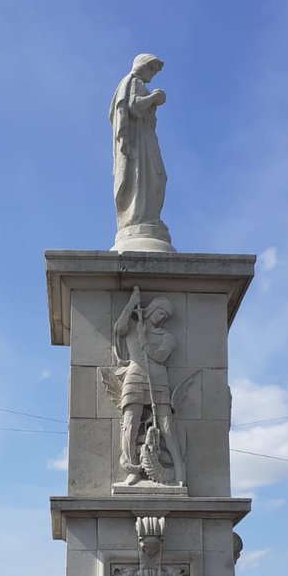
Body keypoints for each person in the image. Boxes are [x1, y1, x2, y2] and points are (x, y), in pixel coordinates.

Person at [113, 289, 186, 486]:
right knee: (130, 423)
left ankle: (179, 469)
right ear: (151, 309)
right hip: (134, 377)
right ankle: (132, 469)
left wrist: (144, 338)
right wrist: (131, 304)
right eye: (159, 312)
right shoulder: (132, 326)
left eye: (165, 315)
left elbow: (160, 356)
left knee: (167, 425)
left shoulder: (168, 336)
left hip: (159, 379)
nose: (161, 317)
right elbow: (119, 328)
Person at [109, 54, 171, 249]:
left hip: (145, 137)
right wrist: (154, 98)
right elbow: (134, 107)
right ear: (143, 66)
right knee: (147, 176)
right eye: (152, 69)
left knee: (156, 177)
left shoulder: (136, 83)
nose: (153, 74)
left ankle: (149, 218)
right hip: (138, 141)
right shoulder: (133, 82)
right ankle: (138, 217)